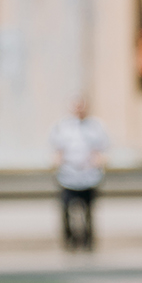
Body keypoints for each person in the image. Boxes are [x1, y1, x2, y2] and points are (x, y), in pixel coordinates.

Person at [49, 97, 107, 252]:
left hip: (89, 176)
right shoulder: (62, 126)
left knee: (88, 211)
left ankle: (88, 241)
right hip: (68, 175)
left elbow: (101, 150)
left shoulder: (96, 126)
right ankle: (70, 240)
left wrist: (97, 163)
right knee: (66, 209)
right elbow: (57, 150)